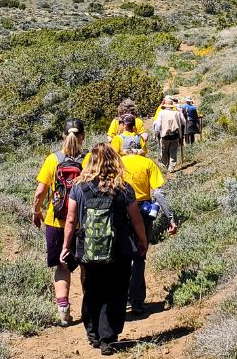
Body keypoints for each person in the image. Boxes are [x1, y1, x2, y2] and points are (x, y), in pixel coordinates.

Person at [60, 143, 147, 356]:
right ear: (114, 161)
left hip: (87, 249)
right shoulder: (123, 188)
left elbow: (71, 220)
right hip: (120, 249)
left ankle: (93, 334)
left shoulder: (79, 188)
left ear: (90, 162)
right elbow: (136, 220)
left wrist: (66, 246)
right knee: (116, 292)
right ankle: (108, 338)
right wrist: (143, 241)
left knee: (92, 290)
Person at [32, 118, 86, 326]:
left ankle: (64, 311)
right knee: (86, 266)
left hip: (56, 221)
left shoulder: (53, 159)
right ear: (83, 137)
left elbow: (40, 192)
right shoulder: (89, 158)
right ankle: (89, 309)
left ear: (63, 136)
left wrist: (37, 212)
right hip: (83, 222)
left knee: (61, 267)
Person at [118, 135, 178, 316]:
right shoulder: (148, 163)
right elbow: (158, 194)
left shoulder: (117, 164)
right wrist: (171, 217)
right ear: (138, 148)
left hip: (120, 213)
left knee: (121, 258)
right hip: (142, 213)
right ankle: (137, 301)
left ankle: (122, 299)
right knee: (139, 256)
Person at [153, 96, 186, 172]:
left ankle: (164, 166)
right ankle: (171, 167)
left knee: (164, 151)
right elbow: (183, 122)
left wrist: (156, 133)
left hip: (165, 136)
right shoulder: (177, 113)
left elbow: (158, 125)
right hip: (176, 135)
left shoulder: (161, 113)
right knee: (173, 151)